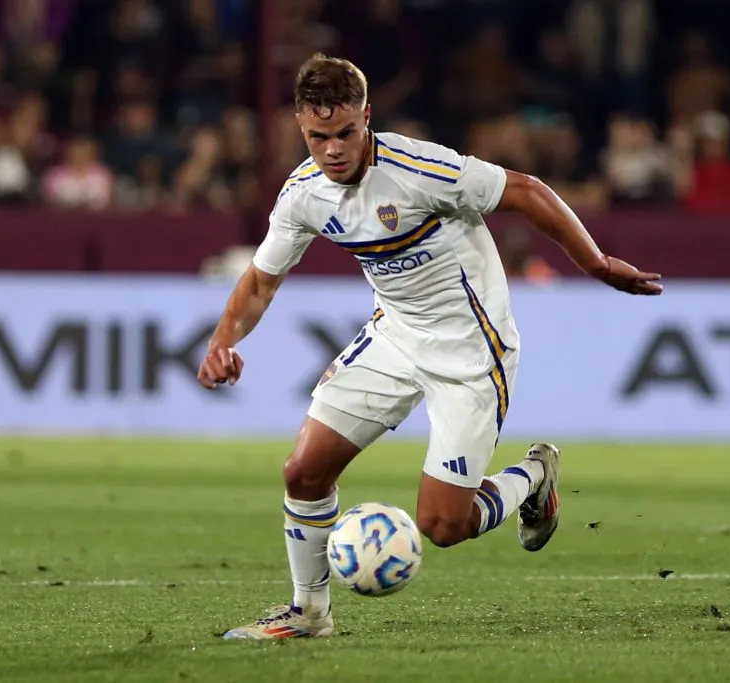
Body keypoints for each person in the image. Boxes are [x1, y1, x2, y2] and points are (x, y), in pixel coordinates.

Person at [197, 54, 662, 640]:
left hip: (472, 350)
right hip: (394, 336)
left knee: (444, 524)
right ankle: (309, 611)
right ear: (299, 126)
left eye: (345, 133)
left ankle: (534, 475)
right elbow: (261, 281)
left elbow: (523, 190)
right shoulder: (303, 196)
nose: (333, 149)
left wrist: (593, 262)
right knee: (304, 471)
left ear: (367, 118)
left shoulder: (419, 169)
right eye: (318, 137)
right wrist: (221, 342)